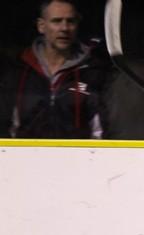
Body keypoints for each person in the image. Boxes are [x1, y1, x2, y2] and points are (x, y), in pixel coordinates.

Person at [4, 0, 113, 138]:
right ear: (41, 26)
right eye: (57, 21)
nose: (64, 28)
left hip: (78, 152)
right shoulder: (19, 70)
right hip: (23, 151)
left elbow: (102, 130)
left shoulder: (94, 71)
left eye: (70, 21)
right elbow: (6, 124)